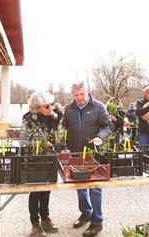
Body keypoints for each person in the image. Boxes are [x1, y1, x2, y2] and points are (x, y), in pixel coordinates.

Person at [62, 81, 113, 237]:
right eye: (76, 95)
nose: (80, 98)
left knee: (94, 186)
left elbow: (108, 126)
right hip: (75, 153)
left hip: (93, 152)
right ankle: (86, 212)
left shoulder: (98, 107)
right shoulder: (69, 109)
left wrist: (99, 137)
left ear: (87, 92)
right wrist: (61, 144)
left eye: (82, 94)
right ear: (72, 95)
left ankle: (97, 221)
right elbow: (64, 127)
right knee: (79, 184)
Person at [22, 91, 63, 237]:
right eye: (47, 106)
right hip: (34, 159)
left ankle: (45, 219)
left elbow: (60, 136)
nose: (51, 108)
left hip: (50, 159)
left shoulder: (55, 117)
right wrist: (41, 145)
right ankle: (35, 224)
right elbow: (24, 141)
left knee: (47, 189)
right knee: (35, 191)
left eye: (51, 104)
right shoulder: (28, 119)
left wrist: (58, 143)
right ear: (37, 107)